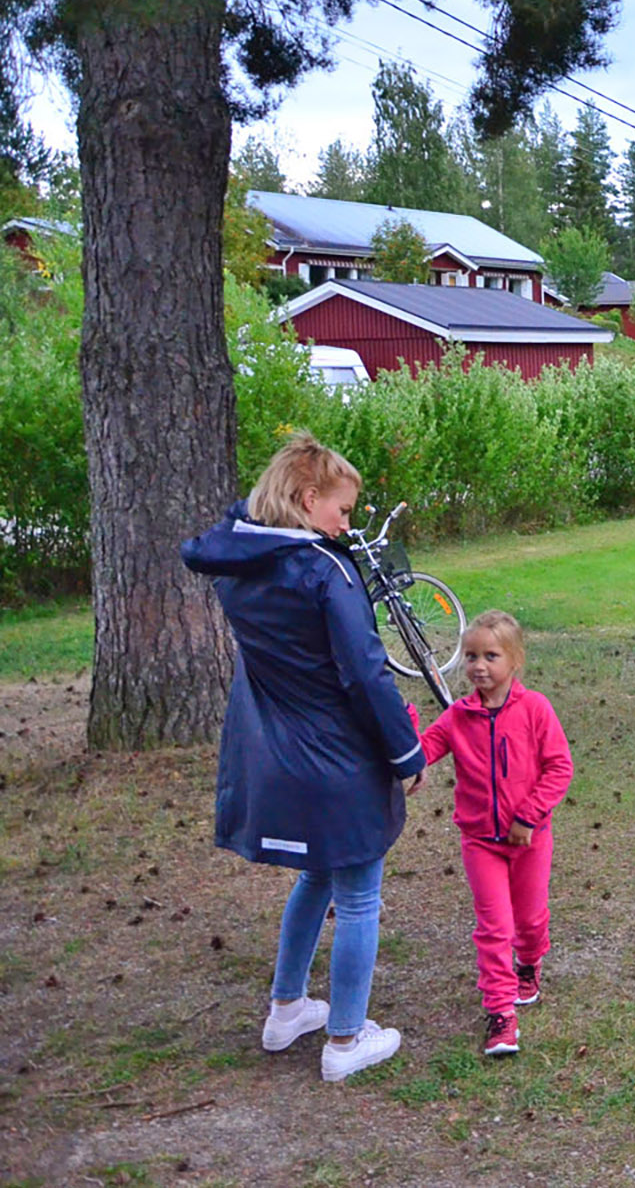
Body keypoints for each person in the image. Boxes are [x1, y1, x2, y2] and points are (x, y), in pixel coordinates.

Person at [180, 432, 425, 1083]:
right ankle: (345, 1039)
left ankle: (287, 1006)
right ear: (308, 497)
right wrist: (406, 751)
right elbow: (366, 673)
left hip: (279, 752)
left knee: (316, 875)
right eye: (342, 511)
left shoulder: (240, 569)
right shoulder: (324, 570)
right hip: (336, 757)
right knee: (360, 893)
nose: (346, 525)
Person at [417, 610, 574, 1058]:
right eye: (470, 656)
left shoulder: (535, 709)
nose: (479, 665)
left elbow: (559, 767)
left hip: (529, 840)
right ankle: (501, 1012)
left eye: (490, 655)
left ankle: (530, 962)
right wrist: (402, 726)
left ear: (515, 660)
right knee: (494, 927)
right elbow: (423, 751)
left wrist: (529, 816)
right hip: (480, 842)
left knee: (529, 919)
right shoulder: (457, 717)